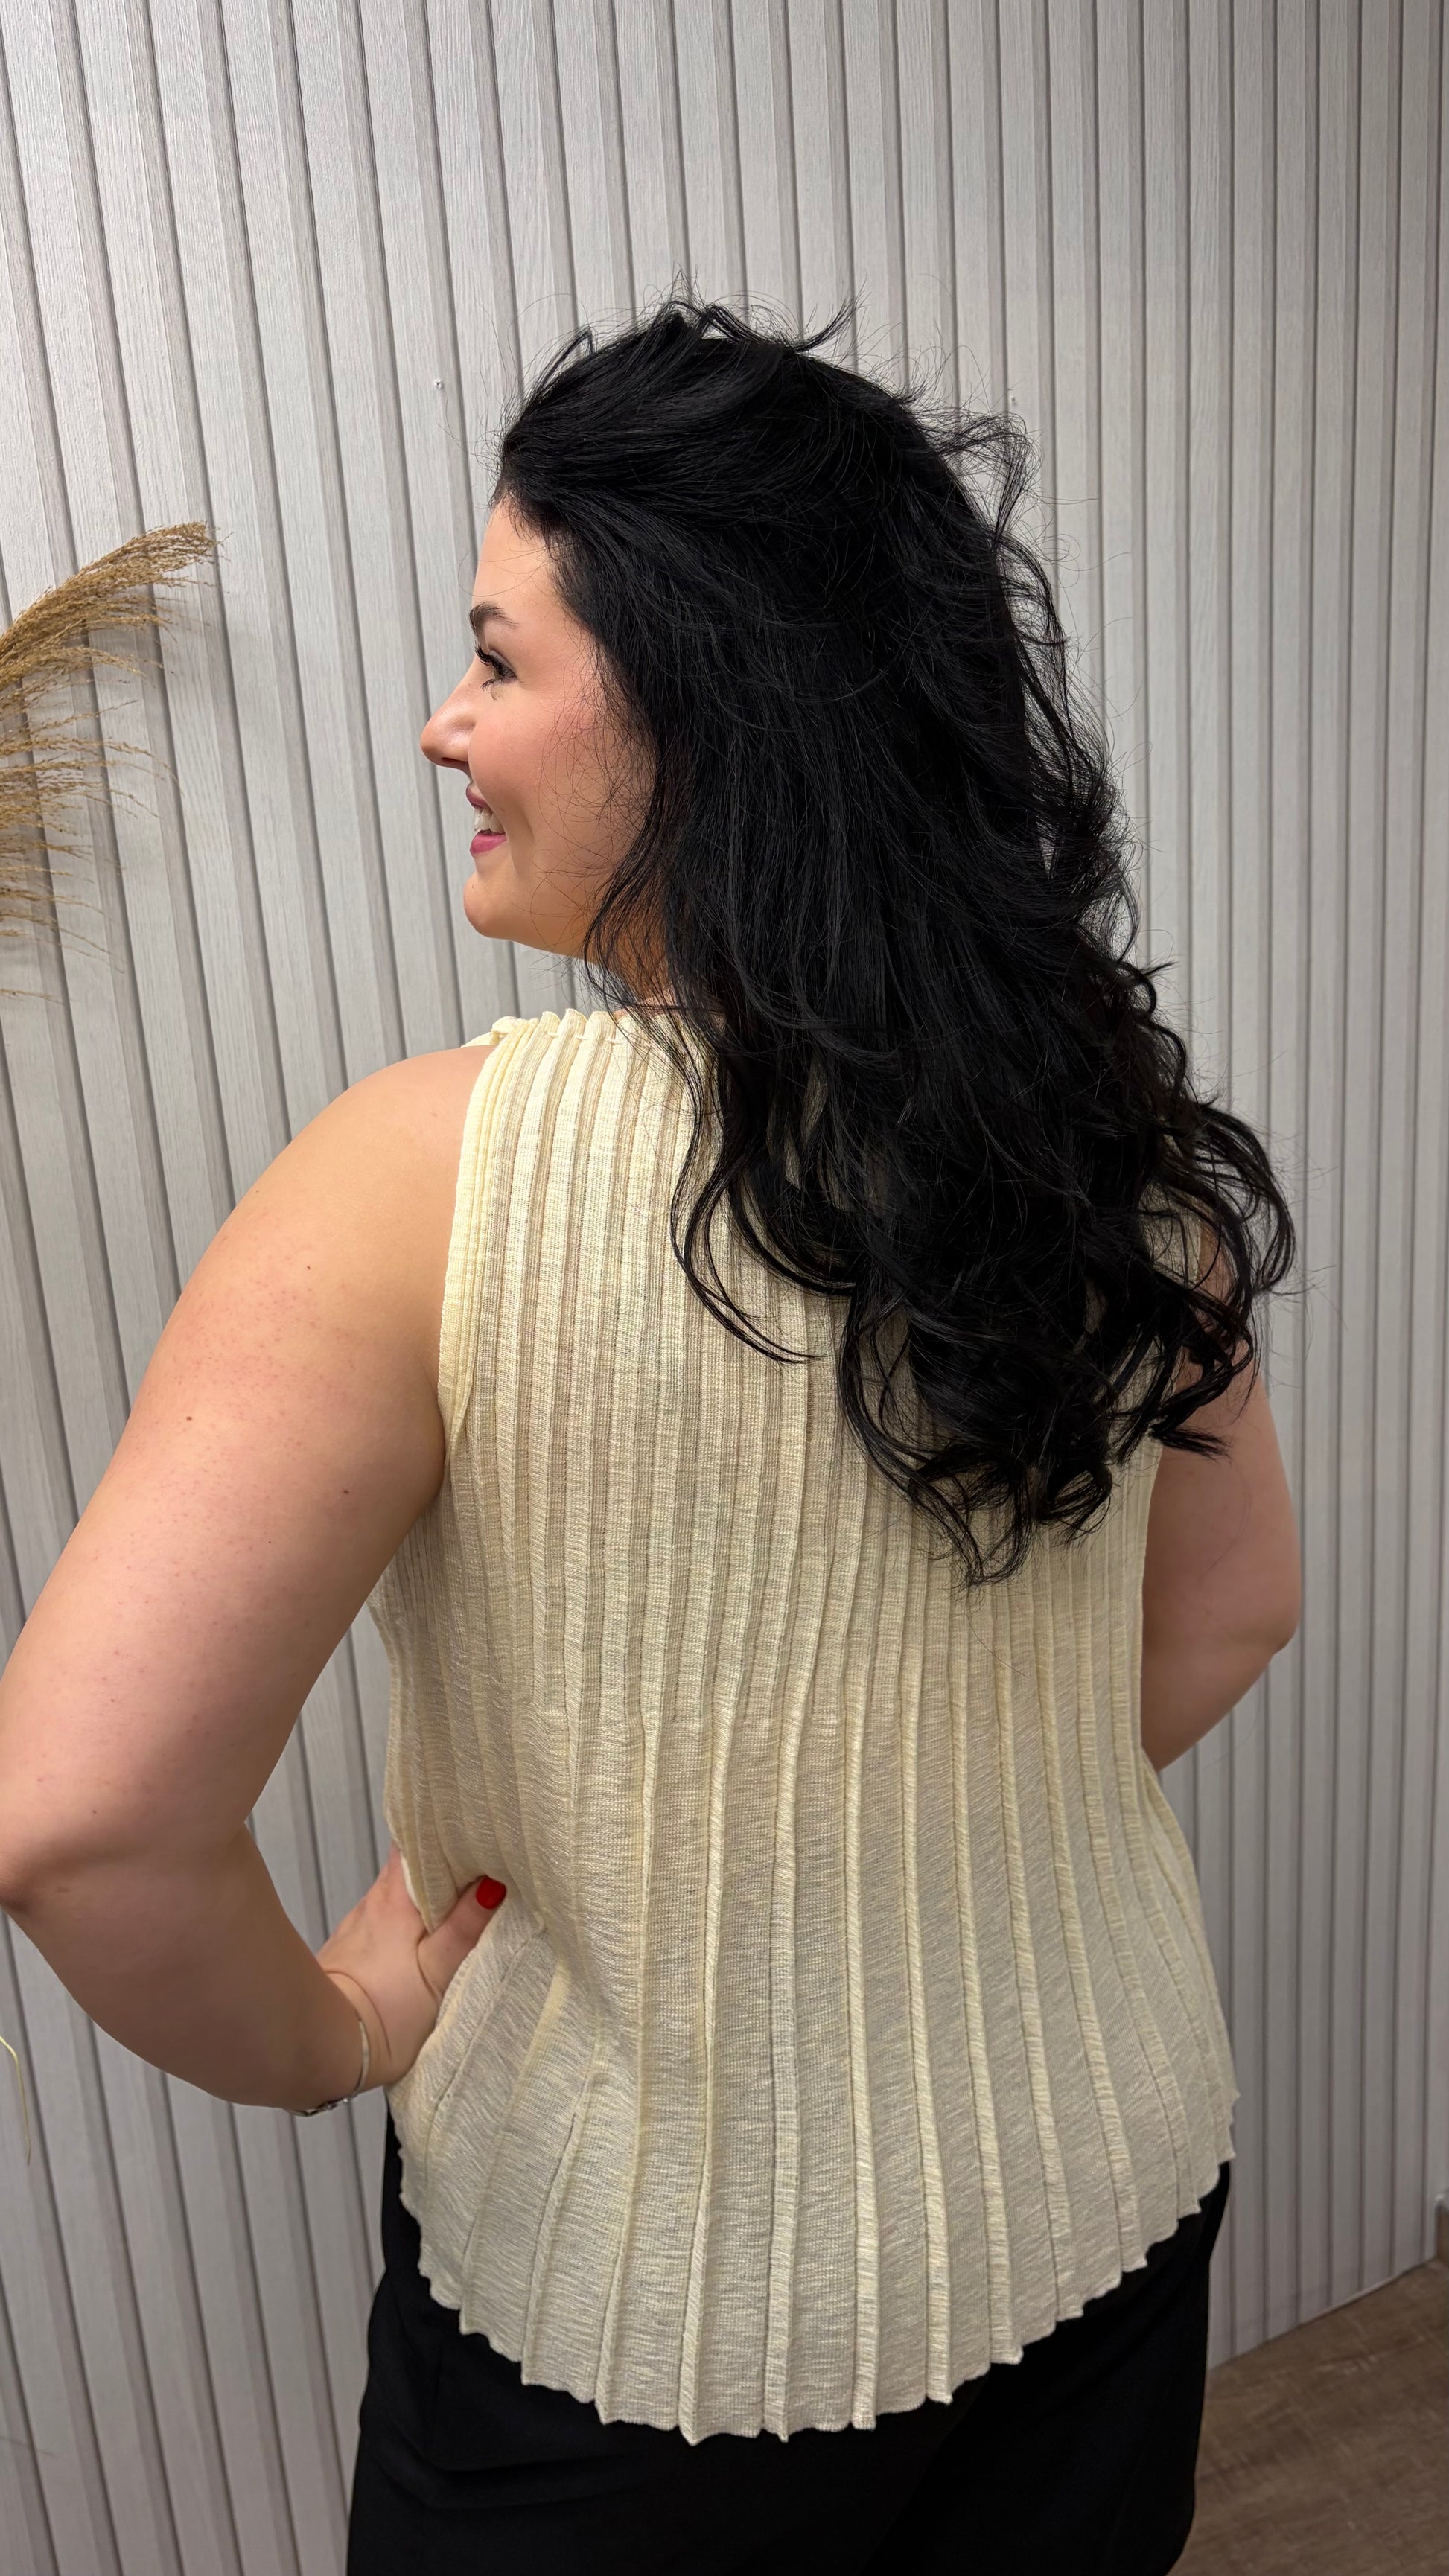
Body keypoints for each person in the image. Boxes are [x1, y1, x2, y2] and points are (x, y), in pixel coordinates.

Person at [0, 296, 1300, 2574]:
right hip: (1106, 2183)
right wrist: (906, 1845)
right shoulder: (1098, 1126)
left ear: (704, 710)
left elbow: (82, 1825)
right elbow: (1229, 1613)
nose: (445, 721)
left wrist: (339, 2028)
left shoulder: (427, 1180)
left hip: (649, 2352)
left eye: (497, 657)